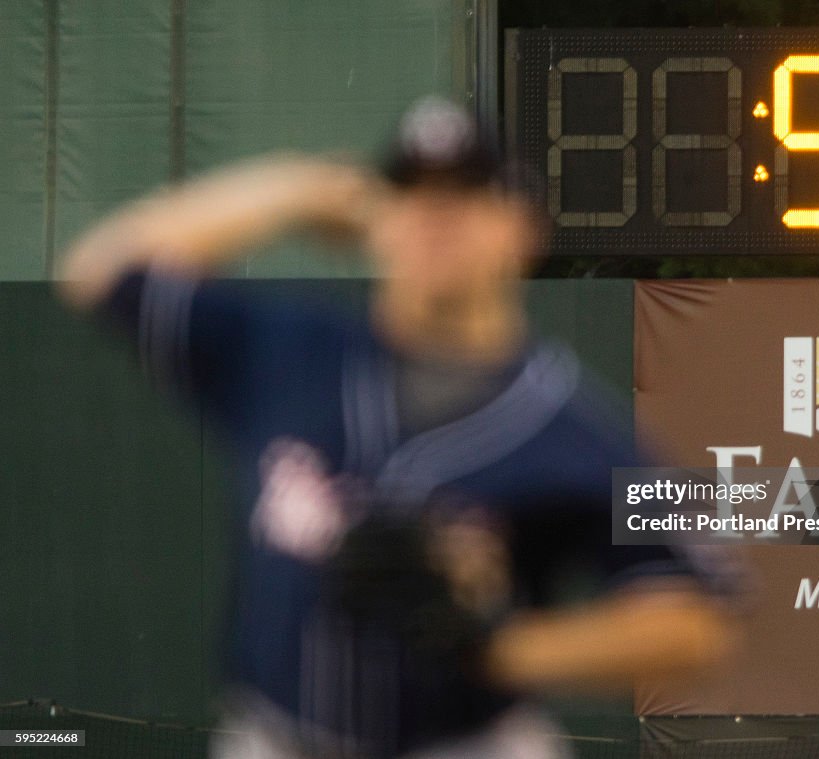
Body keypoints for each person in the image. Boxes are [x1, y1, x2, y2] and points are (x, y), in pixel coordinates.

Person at [57, 97, 739, 758]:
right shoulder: (286, 349)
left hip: (468, 742)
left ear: (524, 228)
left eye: (467, 195)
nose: (435, 217)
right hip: (271, 735)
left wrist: (504, 645)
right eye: (411, 194)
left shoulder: (574, 430)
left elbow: (695, 622)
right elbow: (100, 270)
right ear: (375, 223)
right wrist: (296, 188)